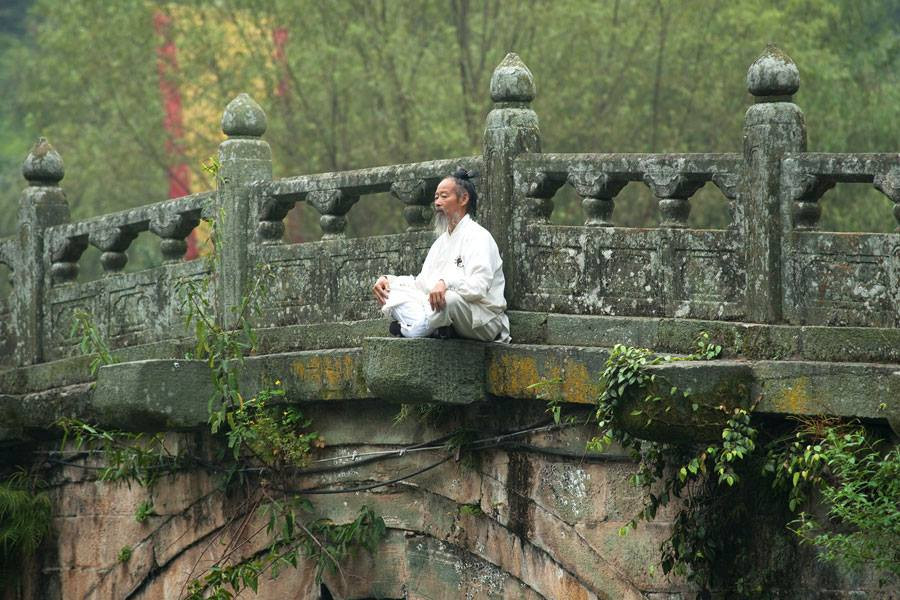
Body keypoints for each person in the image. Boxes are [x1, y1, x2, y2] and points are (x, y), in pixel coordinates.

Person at [372, 168, 511, 343]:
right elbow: (421, 284)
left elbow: (479, 287)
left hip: (481, 318)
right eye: (436, 197)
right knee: (390, 292)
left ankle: (416, 328)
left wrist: (446, 283)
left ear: (464, 199)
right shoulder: (440, 243)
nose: (437, 202)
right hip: (441, 312)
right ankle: (432, 327)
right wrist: (388, 280)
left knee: (449, 299)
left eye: (444, 196)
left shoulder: (479, 237)